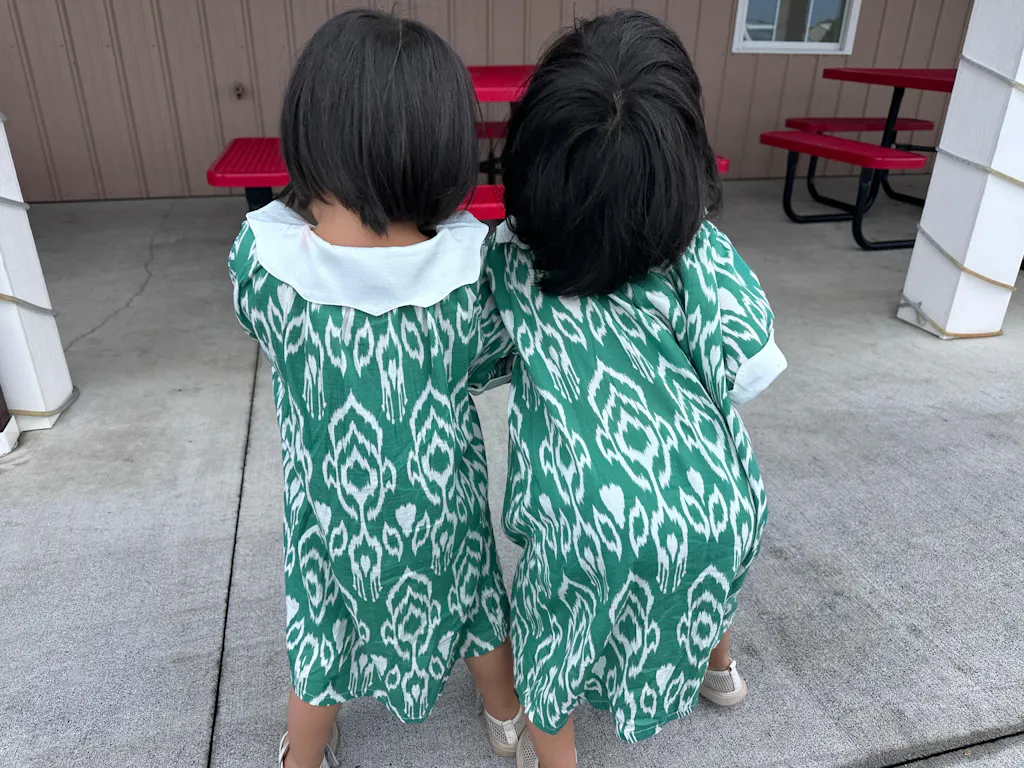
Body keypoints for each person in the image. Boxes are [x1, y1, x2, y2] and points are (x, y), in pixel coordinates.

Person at [478, 10, 787, 767]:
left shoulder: (513, 261)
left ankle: (552, 756)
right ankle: (718, 670)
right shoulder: (697, 251)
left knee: (553, 648)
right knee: (704, 577)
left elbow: (475, 358)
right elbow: (749, 362)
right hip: (719, 505)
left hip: (586, 519)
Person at [227, 10, 524, 768]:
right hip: (445, 505)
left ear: (308, 132)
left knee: (320, 638)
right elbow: (490, 361)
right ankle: (507, 722)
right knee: (479, 609)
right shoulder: (467, 274)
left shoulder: (269, 268)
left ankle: (302, 758)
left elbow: (255, 318)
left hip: (332, 513)